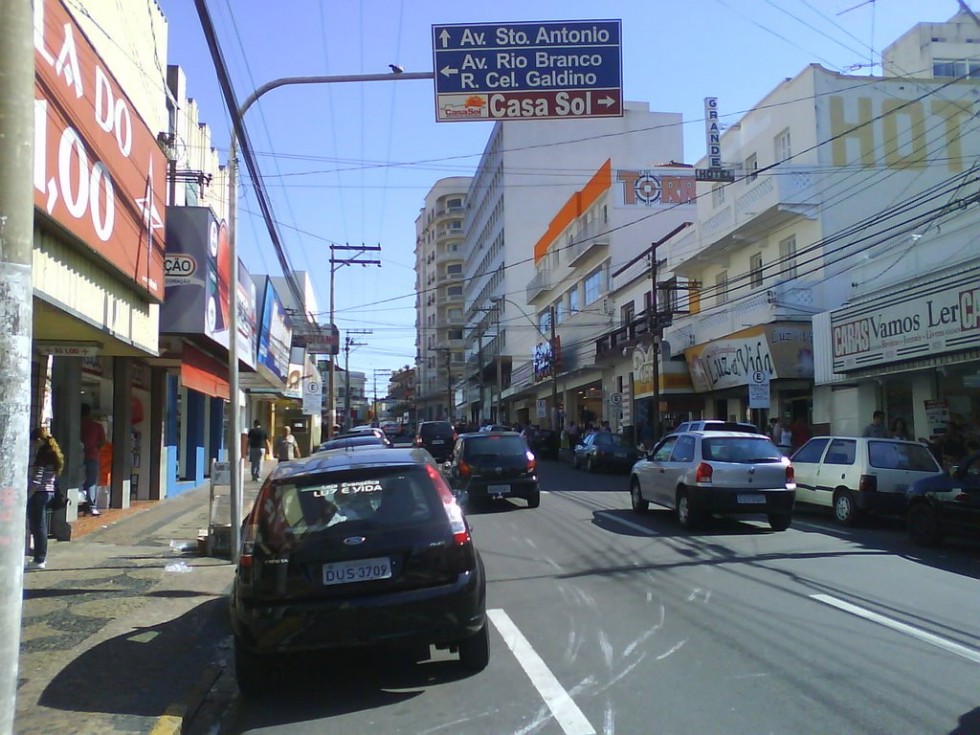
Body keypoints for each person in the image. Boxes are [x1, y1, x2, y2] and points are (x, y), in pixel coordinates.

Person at [26, 427, 64, 569]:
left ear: (39, 440)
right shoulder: (53, 452)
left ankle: (39, 559)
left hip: (40, 494)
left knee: (38, 527)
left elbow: (37, 479)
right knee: (41, 526)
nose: (33, 446)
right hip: (49, 492)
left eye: (34, 442)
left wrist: (27, 495)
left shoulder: (43, 454)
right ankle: (40, 558)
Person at [80, 403, 105, 516]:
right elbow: (103, 441)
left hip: (77, 456)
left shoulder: (78, 424)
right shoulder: (97, 426)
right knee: (91, 481)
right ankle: (91, 506)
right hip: (92, 456)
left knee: (77, 481)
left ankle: (80, 503)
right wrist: (96, 449)